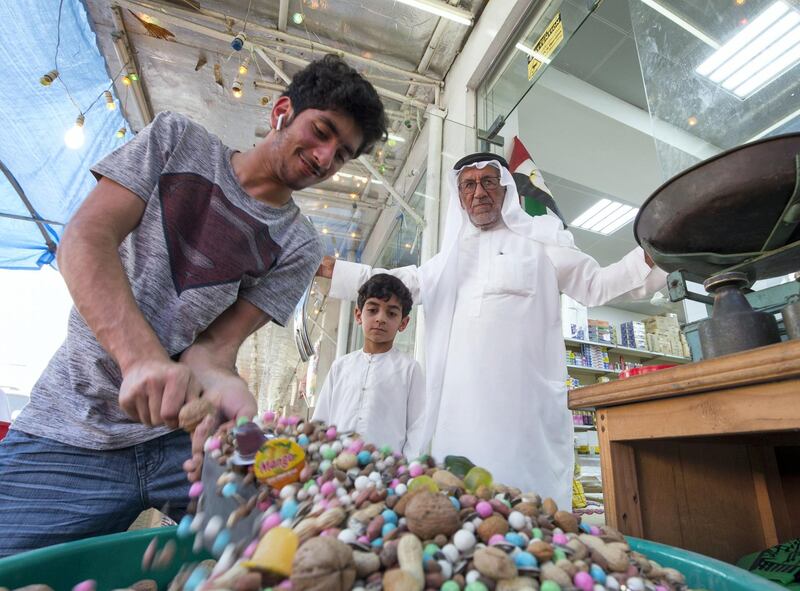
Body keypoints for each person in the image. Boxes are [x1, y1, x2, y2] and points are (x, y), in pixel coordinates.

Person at [0, 54, 386, 556]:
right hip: (73, 421)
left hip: (187, 439)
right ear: (283, 111)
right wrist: (139, 358)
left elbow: (214, 348)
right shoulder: (177, 140)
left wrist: (229, 390)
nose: (324, 157)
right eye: (322, 131)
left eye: (341, 155)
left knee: (267, 557)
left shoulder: (299, 245)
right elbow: (85, 239)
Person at [318, 152, 666, 509]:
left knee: (526, 508)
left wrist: (654, 253)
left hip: (522, 413)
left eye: (489, 182)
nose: (479, 192)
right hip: (459, 414)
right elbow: (395, 284)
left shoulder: (542, 247)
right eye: (469, 184)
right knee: (462, 506)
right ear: (460, 196)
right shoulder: (446, 263)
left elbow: (599, 285)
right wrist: (336, 272)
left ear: (505, 190)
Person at [312, 274, 426, 458]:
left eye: (391, 313)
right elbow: (321, 419)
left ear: (403, 323)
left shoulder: (409, 369)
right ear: (358, 315)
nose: (381, 319)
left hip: (385, 470)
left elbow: (418, 427)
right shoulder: (341, 366)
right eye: (373, 310)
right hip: (336, 463)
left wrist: (405, 468)